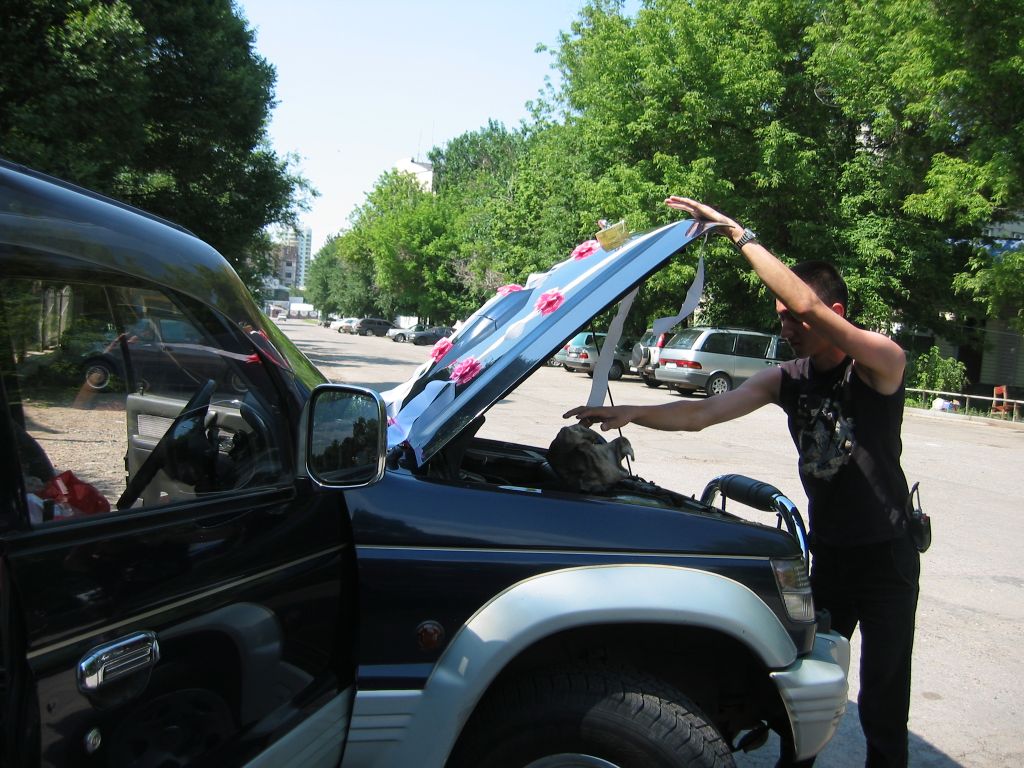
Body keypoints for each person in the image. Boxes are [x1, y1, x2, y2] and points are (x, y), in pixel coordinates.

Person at [564, 196, 920, 768]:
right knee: (803, 683)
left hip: (887, 558)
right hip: (831, 555)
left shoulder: (880, 363)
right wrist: (630, 411)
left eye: (795, 317)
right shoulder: (786, 379)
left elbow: (805, 300)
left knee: (883, 700)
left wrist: (736, 233)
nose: (787, 326)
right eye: (780, 317)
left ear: (835, 312)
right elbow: (704, 412)